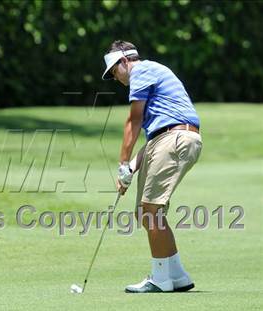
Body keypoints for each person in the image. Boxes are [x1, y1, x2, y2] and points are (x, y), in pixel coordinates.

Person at [102, 40, 202, 293]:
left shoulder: (142, 72)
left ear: (124, 61)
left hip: (175, 138)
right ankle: (176, 275)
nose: (116, 78)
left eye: (115, 71)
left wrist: (122, 163)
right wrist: (131, 168)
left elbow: (133, 121)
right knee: (145, 212)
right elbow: (155, 137)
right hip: (166, 139)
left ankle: (159, 279)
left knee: (150, 210)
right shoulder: (151, 76)